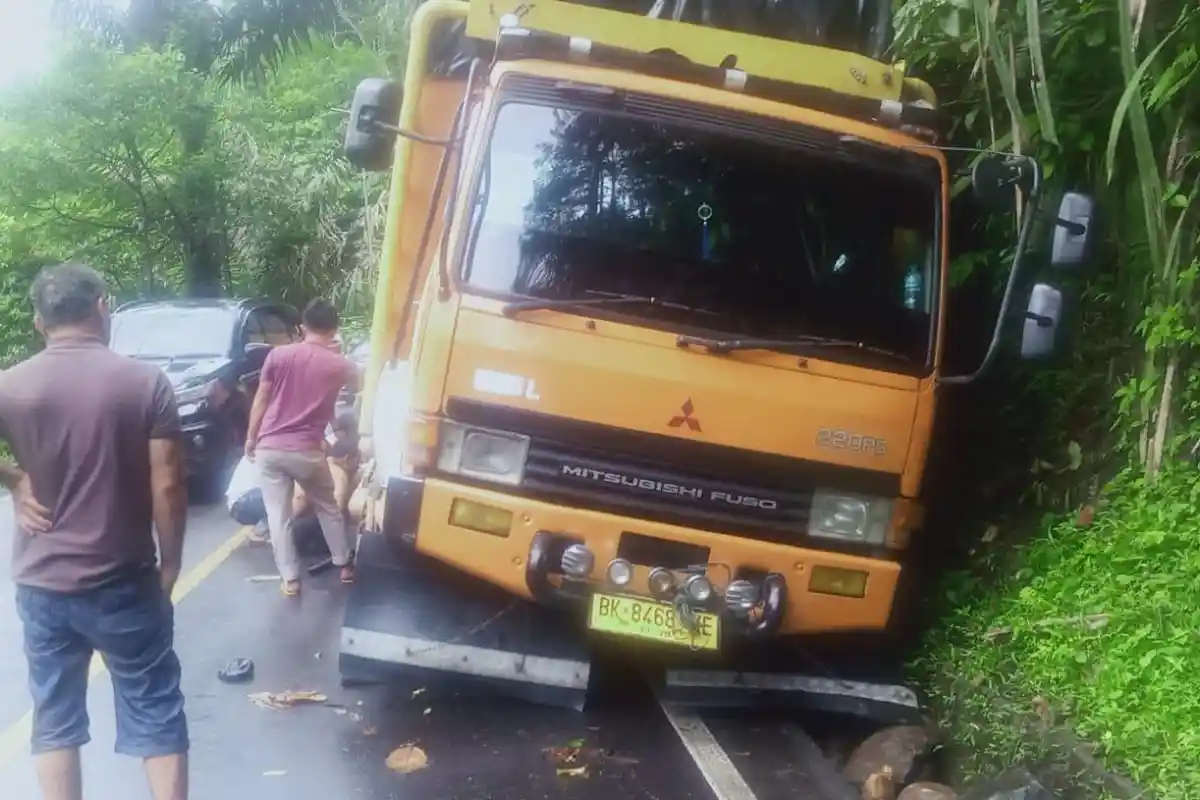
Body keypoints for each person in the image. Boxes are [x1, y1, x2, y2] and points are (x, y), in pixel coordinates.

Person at [0, 263, 189, 800]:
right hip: (125, 580)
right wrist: (170, 561)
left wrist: (14, 479)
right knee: (154, 708)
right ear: (102, 306)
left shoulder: (10, 385)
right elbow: (169, 482)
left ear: (39, 322)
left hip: (41, 584)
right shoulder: (145, 383)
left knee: (54, 716)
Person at [244, 298, 358, 596]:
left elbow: (261, 399)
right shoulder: (341, 366)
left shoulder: (278, 356)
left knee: (278, 516)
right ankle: (344, 565)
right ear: (334, 329)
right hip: (308, 450)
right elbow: (353, 392)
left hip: (270, 448)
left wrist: (251, 438)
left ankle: (291, 580)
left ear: (302, 326)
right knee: (327, 506)